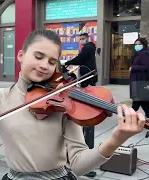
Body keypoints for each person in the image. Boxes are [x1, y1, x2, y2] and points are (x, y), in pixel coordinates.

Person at [0, 29, 146, 180]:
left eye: (52, 62)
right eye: (39, 56)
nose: (45, 66)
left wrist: (117, 139)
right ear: (21, 55)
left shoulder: (64, 105)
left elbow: (78, 165)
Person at [64, 32, 98, 177]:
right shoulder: (90, 47)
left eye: (81, 39)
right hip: (87, 76)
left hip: (87, 77)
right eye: (80, 40)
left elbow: (81, 59)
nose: (81, 41)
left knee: (87, 121)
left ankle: (84, 159)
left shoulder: (88, 48)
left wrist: (68, 62)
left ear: (86, 39)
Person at [130, 38, 149, 117]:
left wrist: (133, 68)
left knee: (140, 101)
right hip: (138, 81)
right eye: (135, 44)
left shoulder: (144, 54)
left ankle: (129, 117)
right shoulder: (139, 53)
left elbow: (147, 67)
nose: (137, 46)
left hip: (141, 81)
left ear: (143, 45)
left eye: (139, 44)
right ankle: (130, 117)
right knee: (140, 102)